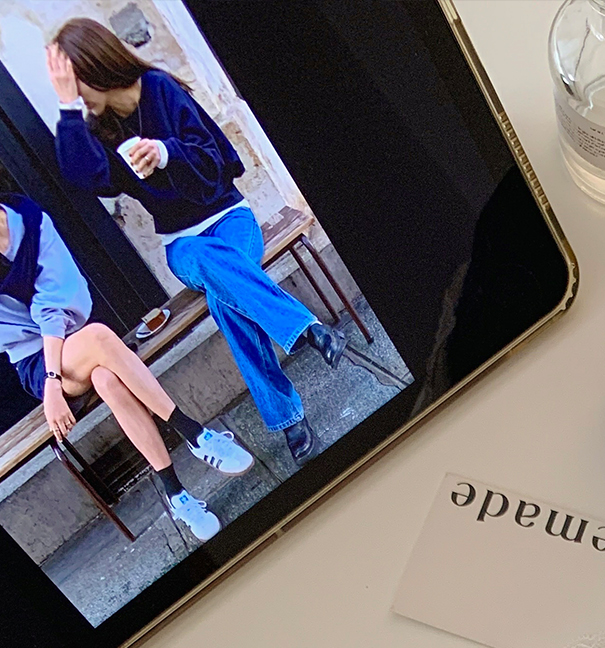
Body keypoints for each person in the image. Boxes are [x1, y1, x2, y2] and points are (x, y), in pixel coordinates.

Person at [46, 20, 346, 465]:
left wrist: (166, 153)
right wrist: (68, 108)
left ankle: (289, 421)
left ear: (97, 66)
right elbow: (83, 178)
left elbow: (217, 161)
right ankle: (306, 329)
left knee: (226, 302)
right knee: (207, 262)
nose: (74, 94)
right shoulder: (99, 132)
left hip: (229, 217)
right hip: (182, 243)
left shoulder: (160, 89)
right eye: (65, 89)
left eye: (74, 84)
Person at [0, 192, 249, 543]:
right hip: (37, 361)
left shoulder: (29, 219)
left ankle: (176, 494)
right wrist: (51, 382)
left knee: (106, 378)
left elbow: (55, 304)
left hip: (71, 341)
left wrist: (55, 381)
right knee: (100, 337)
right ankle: (194, 433)